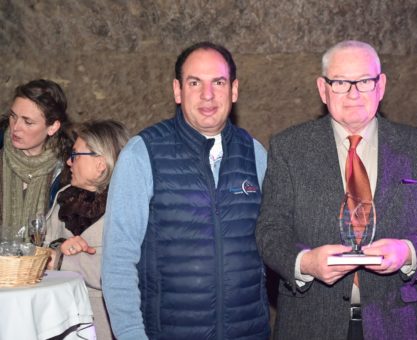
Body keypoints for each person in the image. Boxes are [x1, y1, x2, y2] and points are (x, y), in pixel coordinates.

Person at [255, 40, 417, 340]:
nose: (353, 93)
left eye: (364, 81)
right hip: (310, 322)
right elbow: (270, 229)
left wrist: (408, 251)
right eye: (340, 82)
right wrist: (306, 262)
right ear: (322, 88)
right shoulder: (289, 148)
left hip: (396, 323)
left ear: (381, 86)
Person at [101, 42, 270, 340]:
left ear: (234, 90)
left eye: (218, 82)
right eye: (195, 82)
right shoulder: (143, 153)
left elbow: (273, 242)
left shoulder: (254, 153)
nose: (208, 95)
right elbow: (118, 260)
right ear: (178, 91)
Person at [44, 120, 129, 340]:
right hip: (60, 323)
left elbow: (122, 270)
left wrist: (63, 261)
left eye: (75, 155)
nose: (68, 162)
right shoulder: (65, 197)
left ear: (100, 163)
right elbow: (43, 247)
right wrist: (58, 246)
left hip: (103, 326)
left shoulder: (127, 207)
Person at [0, 79, 72, 240]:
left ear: (52, 127)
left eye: (28, 122)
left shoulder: (68, 174)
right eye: (13, 116)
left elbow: (66, 235)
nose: (15, 127)